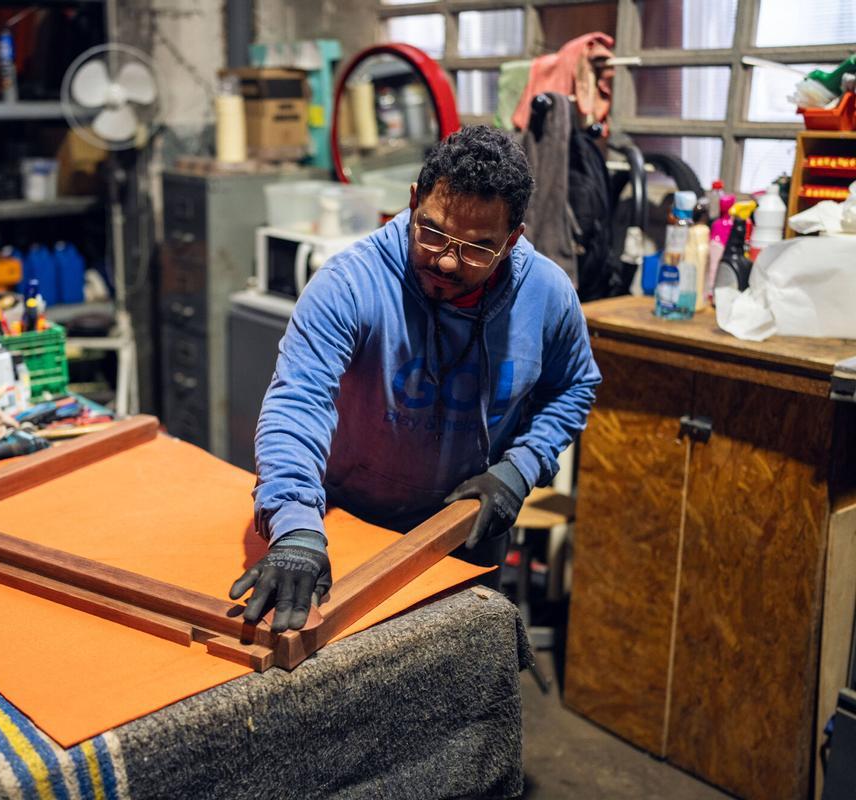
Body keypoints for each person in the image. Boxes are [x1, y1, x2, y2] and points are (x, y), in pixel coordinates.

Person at [228, 125, 601, 633]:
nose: (447, 260)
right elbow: (299, 402)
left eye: (477, 248)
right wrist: (294, 526)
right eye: (432, 232)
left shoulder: (546, 293)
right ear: (412, 202)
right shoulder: (350, 284)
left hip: (463, 534)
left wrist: (520, 469)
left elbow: (575, 385)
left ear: (514, 239)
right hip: (349, 526)